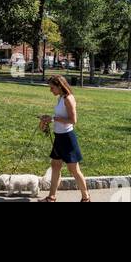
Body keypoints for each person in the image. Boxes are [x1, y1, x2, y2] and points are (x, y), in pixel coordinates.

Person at [38, 75, 90, 203]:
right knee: (55, 166)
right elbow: (61, 115)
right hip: (59, 137)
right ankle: (52, 197)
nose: (50, 90)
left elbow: (73, 120)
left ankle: (86, 198)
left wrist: (54, 119)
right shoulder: (60, 97)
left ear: (59, 86)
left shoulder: (68, 98)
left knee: (74, 170)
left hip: (67, 138)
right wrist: (49, 117)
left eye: (52, 87)